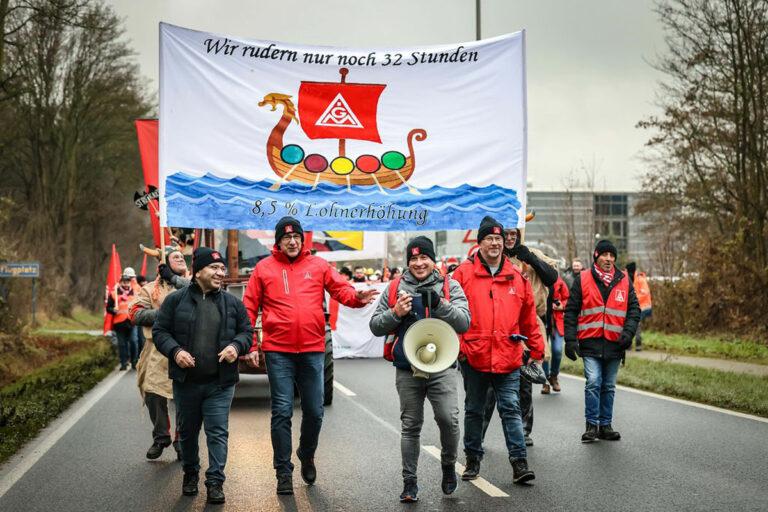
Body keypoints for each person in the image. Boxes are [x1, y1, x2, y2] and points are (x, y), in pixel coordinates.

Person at [242, 217, 379, 495]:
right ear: (278, 242)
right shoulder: (263, 268)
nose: (292, 242)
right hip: (278, 351)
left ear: (302, 240)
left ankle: (306, 453)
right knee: (281, 411)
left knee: (315, 412)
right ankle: (283, 471)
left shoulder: (318, 266)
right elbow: (248, 307)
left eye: (296, 237)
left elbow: (340, 288)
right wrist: (250, 346)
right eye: (286, 238)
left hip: (312, 349)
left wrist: (356, 297)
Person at [370, 236, 470, 503]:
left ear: (432, 259)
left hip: (443, 367)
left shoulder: (450, 285)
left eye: (423, 257)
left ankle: (448, 465)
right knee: (410, 425)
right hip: (408, 367)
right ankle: (409, 482)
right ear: (408, 262)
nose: (418, 263)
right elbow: (375, 325)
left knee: (449, 420)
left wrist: (440, 304)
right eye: (413, 259)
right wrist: (395, 313)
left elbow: (464, 322)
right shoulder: (394, 287)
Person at [153, 247, 253, 504]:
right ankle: (190, 473)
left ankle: (215, 481)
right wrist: (175, 352)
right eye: (215, 268)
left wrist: (236, 347)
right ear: (198, 271)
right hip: (186, 383)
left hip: (220, 383)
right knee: (187, 433)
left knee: (217, 432)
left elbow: (246, 333)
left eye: (222, 268)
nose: (221, 273)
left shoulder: (232, 303)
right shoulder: (175, 301)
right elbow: (160, 331)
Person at [452, 216, 545, 484]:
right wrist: (460, 348)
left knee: (511, 409)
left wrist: (537, 351)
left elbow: (529, 317)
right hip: (474, 356)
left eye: (498, 239)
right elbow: (450, 313)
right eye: (489, 239)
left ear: (505, 243)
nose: (494, 243)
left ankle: (519, 463)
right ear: (479, 243)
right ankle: (472, 459)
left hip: (509, 355)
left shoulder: (517, 276)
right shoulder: (462, 274)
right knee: (474, 410)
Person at [564, 240, 640, 443]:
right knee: (594, 382)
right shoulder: (583, 278)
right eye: (604, 255)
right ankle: (591, 426)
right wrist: (570, 340)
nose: (608, 259)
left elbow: (634, 310)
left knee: (608, 386)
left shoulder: (624, 279)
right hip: (590, 343)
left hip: (616, 344)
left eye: (612, 255)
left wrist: (628, 333)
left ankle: (605, 425)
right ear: (596, 256)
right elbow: (571, 311)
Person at [130, 247, 190, 461]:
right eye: (175, 257)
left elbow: (198, 292)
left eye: (183, 257)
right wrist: (163, 314)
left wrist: (174, 279)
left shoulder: (195, 283)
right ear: (164, 263)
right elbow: (135, 313)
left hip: (187, 350)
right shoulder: (149, 289)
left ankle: (181, 439)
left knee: (186, 398)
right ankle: (161, 436)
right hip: (156, 350)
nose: (181, 258)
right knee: (153, 393)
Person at [107, 273, 139, 370]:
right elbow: (108, 308)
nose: (126, 284)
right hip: (119, 323)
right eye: (124, 282)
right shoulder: (114, 294)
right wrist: (113, 310)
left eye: (127, 282)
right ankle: (123, 363)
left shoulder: (135, 293)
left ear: (130, 283)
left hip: (132, 322)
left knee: (134, 341)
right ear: (120, 283)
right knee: (122, 344)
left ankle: (134, 362)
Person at [544, 275, 569, 392]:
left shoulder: (559, 281)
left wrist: (561, 305)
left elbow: (568, 298)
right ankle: (545, 381)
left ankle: (554, 376)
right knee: (543, 353)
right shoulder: (537, 279)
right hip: (541, 320)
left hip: (556, 321)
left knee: (557, 350)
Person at [626, 262, 652, 351]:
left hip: (643, 306)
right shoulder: (632, 278)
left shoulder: (640, 279)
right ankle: (633, 345)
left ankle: (637, 345)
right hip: (636, 306)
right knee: (633, 324)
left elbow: (644, 293)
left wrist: (632, 299)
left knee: (635, 324)